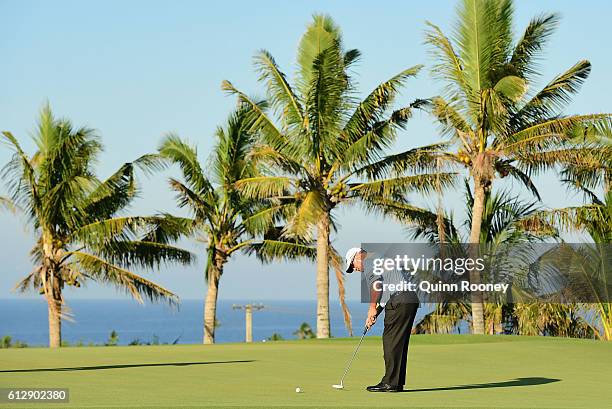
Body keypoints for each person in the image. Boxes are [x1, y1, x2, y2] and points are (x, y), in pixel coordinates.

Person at [344, 247, 420, 392]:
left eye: (353, 266)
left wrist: (372, 307)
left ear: (357, 257)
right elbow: (385, 294)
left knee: (391, 342)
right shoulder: (379, 258)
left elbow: (376, 286)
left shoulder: (369, 262)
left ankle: (390, 383)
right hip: (409, 299)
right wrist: (375, 314)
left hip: (400, 300)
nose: (355, 269)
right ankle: (396, 383)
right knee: (398, 344)